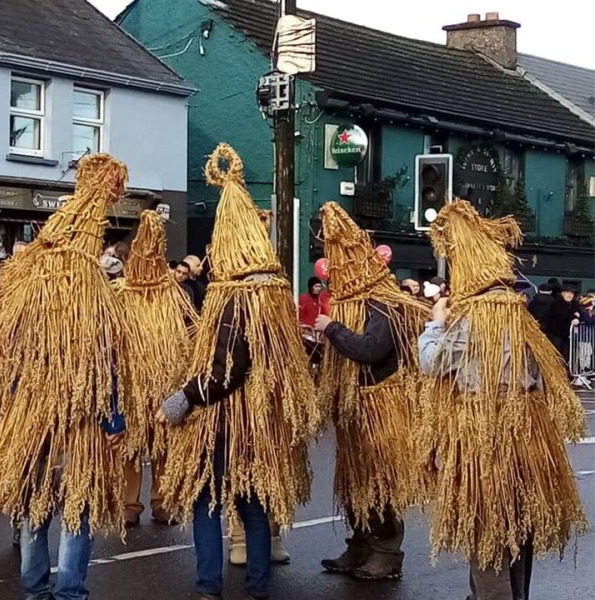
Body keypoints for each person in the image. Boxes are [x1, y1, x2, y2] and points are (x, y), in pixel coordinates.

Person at [157, 144, 321, 600]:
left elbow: (227, 368)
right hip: (261, 418)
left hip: (227, 417)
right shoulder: (273, 294)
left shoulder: (235, 298)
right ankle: (260, 585)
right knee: (253, 502)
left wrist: (185, 397)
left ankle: (209, 585)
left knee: (207, 499)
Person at [0, 155, 134, 600]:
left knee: (32, 496)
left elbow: (10, 358)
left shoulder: (26, 294)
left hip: (30, 410)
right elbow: (105, 364)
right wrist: (113, 419)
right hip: (78, 414)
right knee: (78, 499)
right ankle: (70, 591)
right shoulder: (95, 296)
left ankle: (34, 587)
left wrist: (16, 399)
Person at [417, 200, 586, 600]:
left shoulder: (472, 316)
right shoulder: (518, 312)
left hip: (485, 434)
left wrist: (434, 324)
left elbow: (432, 363)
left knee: (487, 526)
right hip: (526, 435)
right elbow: (543, 376)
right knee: (517, 521)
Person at [314, 202, 428, 581]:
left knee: (380, 483)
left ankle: (386, 551)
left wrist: (332, 329)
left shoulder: (383, 303)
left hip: (380, 404)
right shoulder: (354, 303)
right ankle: (360, 543)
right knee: (355, 483)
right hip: (354, 409)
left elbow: (371, 349)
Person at [116, 211, 198, 528]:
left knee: (164, 442)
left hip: (167, 378)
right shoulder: (121, 294)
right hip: (133, 381)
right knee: (133, 444)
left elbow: (190, 328)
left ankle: (162, 501)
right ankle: (129, 503)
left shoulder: (172, 294)